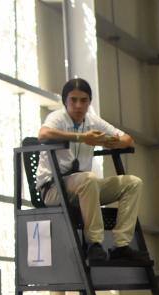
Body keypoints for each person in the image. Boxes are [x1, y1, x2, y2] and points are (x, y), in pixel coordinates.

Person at [36, 78, 149, 267]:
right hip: (55, 189)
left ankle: (121, 246)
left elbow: (128, 140)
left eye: (84, 100)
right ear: (65, 101)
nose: (78, 105)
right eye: (73, 100)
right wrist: (82, 138)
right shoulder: (57, 118)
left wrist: (108, 141)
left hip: (85, 188)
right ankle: (95, 243)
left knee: (133, 183)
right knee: (89, 179)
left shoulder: (92, 121)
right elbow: (43, 135)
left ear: (89, 102)